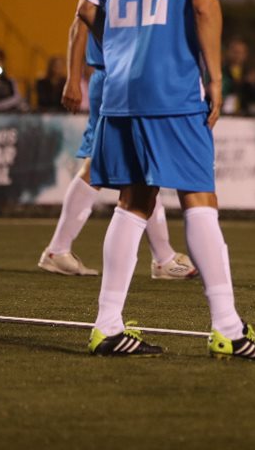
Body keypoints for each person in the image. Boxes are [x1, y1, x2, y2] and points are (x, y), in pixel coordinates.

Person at [76, 0, 255, 358]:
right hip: (173, 87)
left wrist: (117, 53)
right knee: (198, 199)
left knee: (133, 201)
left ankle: (107, 325)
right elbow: (205, 8)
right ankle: (228, 328)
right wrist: (216, 77)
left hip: (120, 88)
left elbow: (86, 8)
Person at [40, 15, 197, 282]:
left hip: (123, 77)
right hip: (117, 78)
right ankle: (58, 249)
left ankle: (162, 256)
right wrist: (73, 79)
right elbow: (79, 23)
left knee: (141, 167)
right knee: (105, 164)